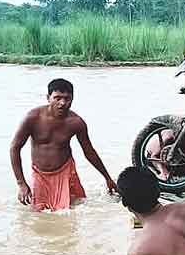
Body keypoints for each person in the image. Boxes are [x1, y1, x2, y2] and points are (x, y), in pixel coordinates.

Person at [10, 78, 117, 211]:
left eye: (67, 99)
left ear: (72, 99)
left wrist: (107, 178)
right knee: (38, 213)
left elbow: (89, 152)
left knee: (71, 211)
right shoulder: (32, 118)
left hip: (65, 172)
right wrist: (21, 183)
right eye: (57, 98)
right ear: (48, 98)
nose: (62, 103)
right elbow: (15, 148)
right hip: (40, 174)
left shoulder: (76, 123)